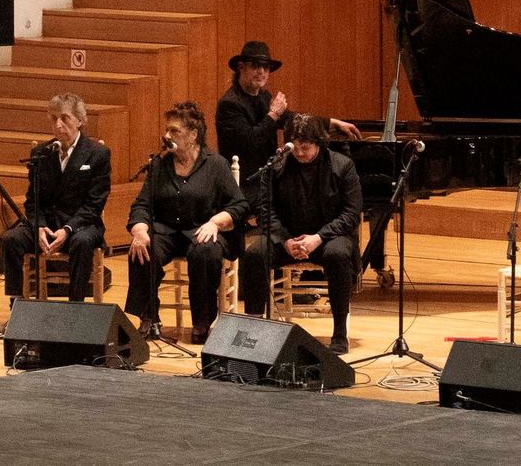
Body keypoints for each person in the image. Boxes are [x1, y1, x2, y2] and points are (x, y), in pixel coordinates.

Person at [125, 102, 249, 345]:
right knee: (141, 249)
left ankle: (202, 322)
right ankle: (149, 317)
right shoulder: (160, 164)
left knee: (205, 252)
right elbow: (141, 205)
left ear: (193, 135)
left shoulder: (215, 164)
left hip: (202, 229)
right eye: (167, 130)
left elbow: (239, 205)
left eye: (174, 131)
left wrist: (215, 223)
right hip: (167, 230)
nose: (167, 136)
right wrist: (139, 230)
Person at [241, 114, 363, 355]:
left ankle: (339, 333)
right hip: (288, 237)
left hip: (327, 237)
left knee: (339, 255)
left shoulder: (342, 166)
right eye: (294, 146)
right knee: (255, 253)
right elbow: (266, 211)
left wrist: (317, 238)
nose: (298, 152)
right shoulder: (276, 167)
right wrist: (285, 241)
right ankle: (254, 328)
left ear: (319, 143)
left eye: (305, 147)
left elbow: (351, 213)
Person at [0, 93, 110, 306]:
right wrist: (39, 226)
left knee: (82, 242)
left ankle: (74, 307)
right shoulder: (41, 153)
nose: (58, 125)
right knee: (11, 239)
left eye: (65, 118)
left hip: (81, 224)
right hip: (47, 224)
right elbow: (33, 200)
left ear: (80, 120)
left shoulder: (98, 154)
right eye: (53, 119)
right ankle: (17, 304)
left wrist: (67, 229)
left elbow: (95, 204)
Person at [215, 40, 359, 200]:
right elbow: (251, 142)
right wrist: (273, 114)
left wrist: (332, 122)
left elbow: (291, 119)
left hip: (266, 178)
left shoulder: (263, 96)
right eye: (255, 66)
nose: (261, 71)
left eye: (266, 67)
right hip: (245, 184)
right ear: (241, 67)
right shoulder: (229, 103)